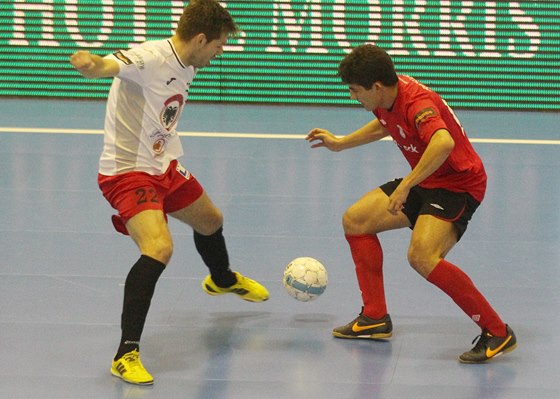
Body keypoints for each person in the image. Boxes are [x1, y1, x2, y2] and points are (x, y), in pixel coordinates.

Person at [70, 0, 269, 386]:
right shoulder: (149, 57)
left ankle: (222, 280)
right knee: (159, 248)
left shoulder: (188, 62)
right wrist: (92, 64)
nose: (220, 52)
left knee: (211, 220)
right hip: (128, 173)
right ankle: (126, 353)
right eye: (219, 45)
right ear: (199, 38)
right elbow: (109, 66)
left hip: (164, 165)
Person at [306, 44, 516, 363]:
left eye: (355, 91)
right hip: (428, 178)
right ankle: (374, 317)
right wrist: (341, 142)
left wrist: (406, 185)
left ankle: (497, 331)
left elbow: (442, 142)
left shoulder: (417, 102)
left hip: (458, 184)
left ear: (376, 87)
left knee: (422, 256)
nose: (353, 97)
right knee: (356, 221)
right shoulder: (387, 97)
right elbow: (385, 123)